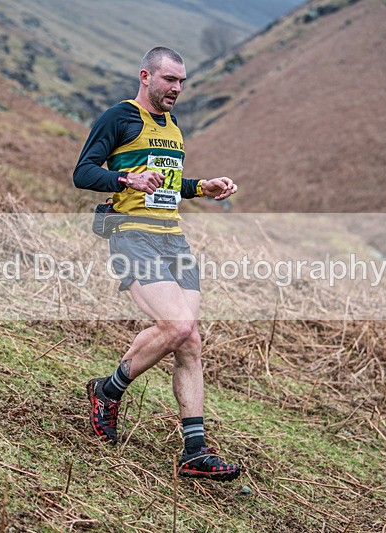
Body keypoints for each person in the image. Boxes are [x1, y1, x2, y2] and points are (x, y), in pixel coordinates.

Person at [73, 46, 242, 481]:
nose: (177, 89)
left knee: (190, 341)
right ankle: (108, 392)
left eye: (182, 82)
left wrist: (202, 186)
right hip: (133, 236)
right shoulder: (119, 117)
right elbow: (84, 172)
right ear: (146, 76)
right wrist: (125, 178)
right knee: (178, 326)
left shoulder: (173, 128)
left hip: (174, 241)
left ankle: (194, 450)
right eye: (170, 80)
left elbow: (166, 185)